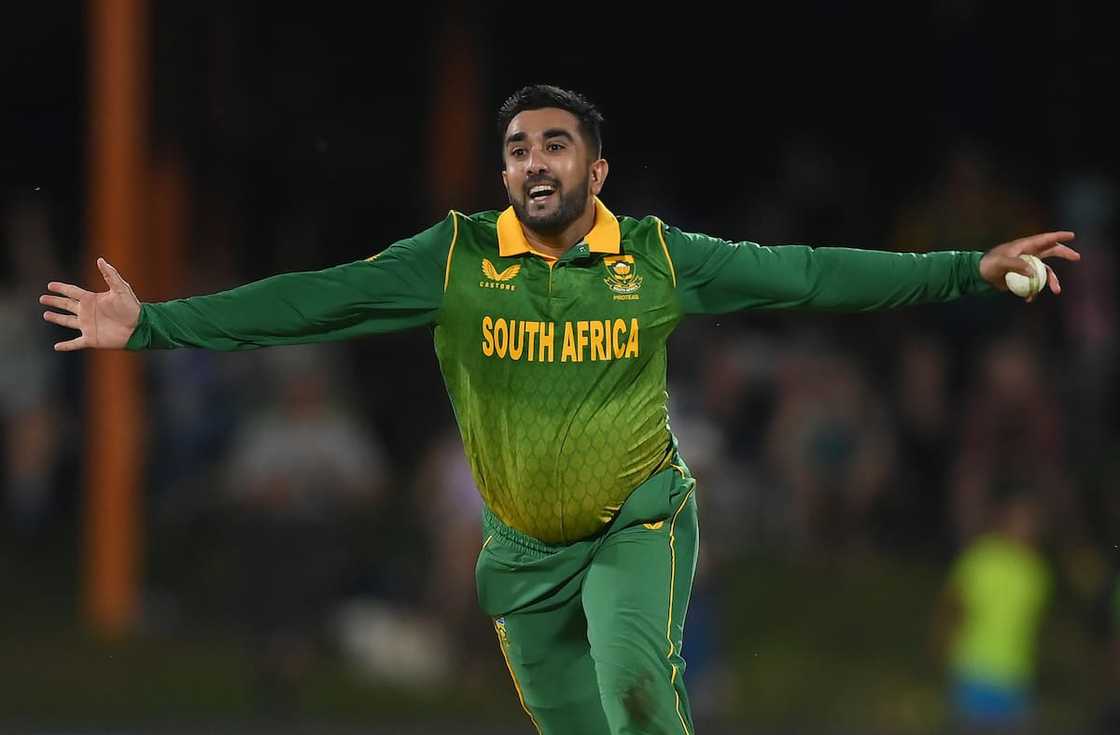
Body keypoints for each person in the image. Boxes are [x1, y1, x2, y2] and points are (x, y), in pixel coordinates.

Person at [39, 84, 1079, 735]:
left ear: (596, 168)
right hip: (522, 552)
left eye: (555, 145)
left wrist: (961, 268)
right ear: (504, 172)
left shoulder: (661, 258)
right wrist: (156, 326)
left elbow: (808, 276)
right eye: (518, 149)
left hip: (639, 517)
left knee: (635, 689)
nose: (534, 161)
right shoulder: (451, 259)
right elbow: (315, 299)